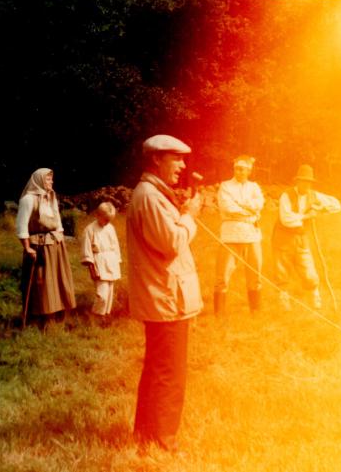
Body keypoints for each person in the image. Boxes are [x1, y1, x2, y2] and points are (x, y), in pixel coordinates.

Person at [126, 134, 203, 452]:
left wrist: (182, 213)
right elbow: (171, 242)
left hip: (165, 296)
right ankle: (163, 440)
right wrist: (191, 216)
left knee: (158, 369)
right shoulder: (149, 196)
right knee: (170, 373)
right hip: (166, 299)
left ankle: (146, 434)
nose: (182, 165)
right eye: (177, 159)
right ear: (156, 159)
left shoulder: (153, 194)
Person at [272, 164, 341, 310]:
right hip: (283, 239)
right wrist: (306, 216)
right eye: (303, 181)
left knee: (309, 273)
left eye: (309, 182)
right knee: (282, 274)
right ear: (297, 181)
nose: (306, 184)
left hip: (301, 240)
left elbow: (337, 205)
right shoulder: (287, 195)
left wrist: (320, 209)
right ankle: (284, 304)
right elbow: (286, 218)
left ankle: (315, 302)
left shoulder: (314, 195)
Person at [15, 168, 76, 328]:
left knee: (58, 279)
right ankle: (40, 318)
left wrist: (60, 238)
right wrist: (27, 248)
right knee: (42, 283)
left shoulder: (51, 197)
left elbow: (57, 219)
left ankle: (58, 314)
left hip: (55, 244)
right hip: (39, 247)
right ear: (40, 181)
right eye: (48, 179)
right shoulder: (28, 200)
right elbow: (21, 226)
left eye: (51, 179)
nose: (51, 182)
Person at [214, 154, 265, 315]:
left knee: (255, 273)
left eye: (242, 169)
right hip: (231, 234)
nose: (239, 172)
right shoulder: (226, 186)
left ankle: (255, 311)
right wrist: (249, 211)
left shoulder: (254, 187)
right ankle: (219, 314)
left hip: (252, 234)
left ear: (249, 171)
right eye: (236, 168)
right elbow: (228, 208)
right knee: (223, 274)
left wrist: (241, 205)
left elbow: (259, 204)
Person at [80, 201, 121, 322]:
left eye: (109, 220)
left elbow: (115, 245)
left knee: (109, 292)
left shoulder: (111, 228)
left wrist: (117, 261)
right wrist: (91, 267)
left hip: (111, 261)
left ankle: (104, 315)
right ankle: (96, 314)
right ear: (98, 216)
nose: (107, 222)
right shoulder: (90, 229)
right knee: (102, 294)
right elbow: (86, 250)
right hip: (99, 263)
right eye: (105, 219)